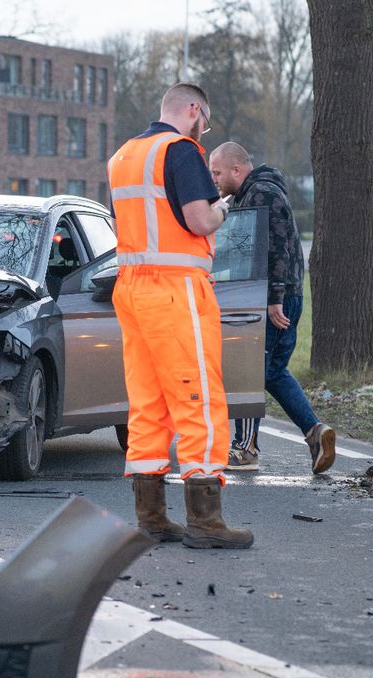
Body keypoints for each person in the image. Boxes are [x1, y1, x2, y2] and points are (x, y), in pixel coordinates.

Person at [108, 83, 253, 549]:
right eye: (203, 122)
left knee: (148, 402)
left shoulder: (124, 155)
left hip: (131, 289)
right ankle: (206, 522)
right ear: (193, 110)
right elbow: (198, 221)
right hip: (176, 288)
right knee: (200, 398)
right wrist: (222, 211)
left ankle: (150, 516)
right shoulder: (182, 150)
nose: (202, 130)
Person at [209, 142, 335, 475]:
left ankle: (246, 448)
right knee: (270, 371)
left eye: (217, 172)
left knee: (251, 372)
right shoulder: (252, 195)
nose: (214, 179)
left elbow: (277, 248)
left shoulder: (263, 195)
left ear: (237, 169)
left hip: (274, 297)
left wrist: (274, 297)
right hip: (275, 294)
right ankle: (315, 433)